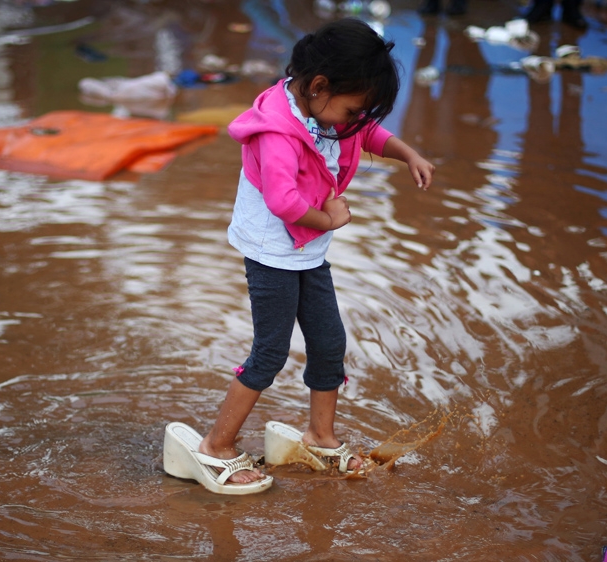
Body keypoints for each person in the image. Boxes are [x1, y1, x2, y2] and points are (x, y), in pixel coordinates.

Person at [162, 18, 435, 495]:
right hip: (273, 250)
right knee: (269, 353)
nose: (354, 121)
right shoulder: (278, 132)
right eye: (353, 110)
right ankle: (216, 446)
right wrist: (330, 219)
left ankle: (320, 436)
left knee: (329, 342)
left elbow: (365, 135)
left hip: (307, 250)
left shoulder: (330, 110)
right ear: (319, 86)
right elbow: (283, 201)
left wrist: (407, 152)